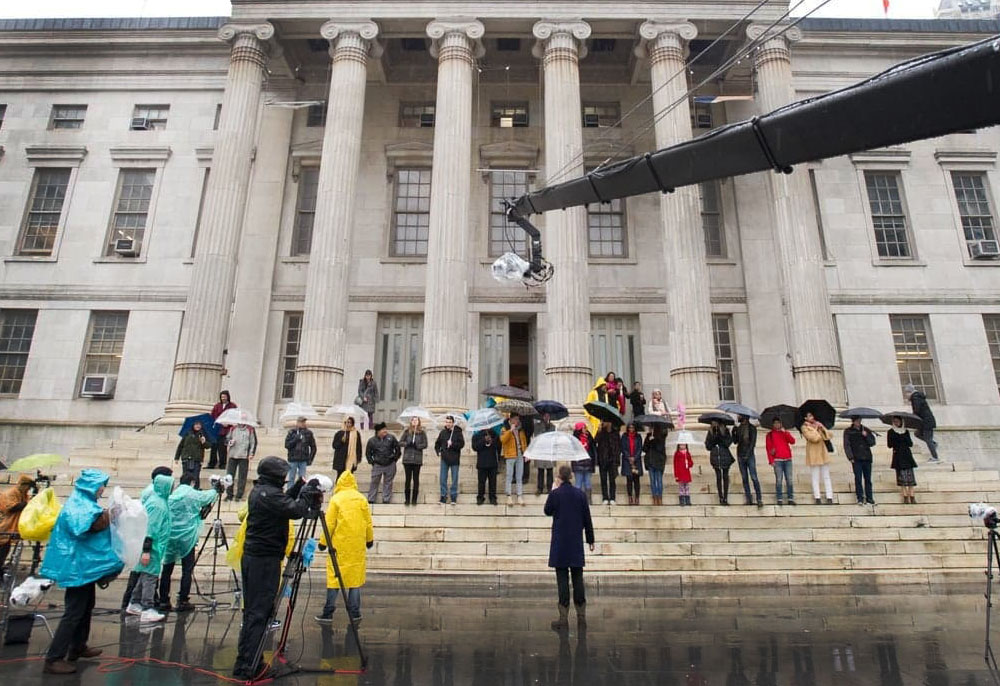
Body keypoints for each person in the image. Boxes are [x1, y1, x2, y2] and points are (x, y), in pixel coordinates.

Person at [232, 457, 316, 681]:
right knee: (259, 613)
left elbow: (282, 503)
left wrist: (299, 486)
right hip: (264, 560)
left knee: (253, 613)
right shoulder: (268, 494)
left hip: (255, 557)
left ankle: (246, 661)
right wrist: (307, 493)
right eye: (283, 475)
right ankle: (250, 666)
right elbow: (296, 510)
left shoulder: (262, 491)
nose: (285, 478)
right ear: (275, 476)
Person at [40, 469, 124, 675]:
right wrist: (109, 515)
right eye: (101, 485)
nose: (102, 489)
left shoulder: (84, 503)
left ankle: (78, 646)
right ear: (91, 485)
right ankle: (54, 658)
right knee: (74, 612)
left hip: (83, 567)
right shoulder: (78, 505)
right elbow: (85, 526)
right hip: (75, 566)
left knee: (86, 606)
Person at [315, 471, 373, 625]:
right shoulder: (361, 499)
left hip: (338, 546)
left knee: (335, 578)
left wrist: (323, 542)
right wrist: (369, 539)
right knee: (354, 580)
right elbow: (368, 522)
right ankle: (355, 612)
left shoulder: (336, 500)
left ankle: (328, 612)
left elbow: (330, 523)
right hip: (356, 546)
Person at [545, 465, 595, 632]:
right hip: (575, 541)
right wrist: (590, 539)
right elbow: (587, 518)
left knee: (562, 579)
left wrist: (553, 490)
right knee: (577, 577)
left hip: (560, 541)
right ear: (571, 477)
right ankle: (581, 616)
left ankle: (563, 617)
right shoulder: (580, 494)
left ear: (559, 477)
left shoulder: (556, 494)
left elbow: (547, 510)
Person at [159, 473, 217, 612]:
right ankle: (183, 599)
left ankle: (163, 599)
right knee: (187, 569)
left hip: (171, 536)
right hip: (187, 537)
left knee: (167, 569)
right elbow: (207, 497)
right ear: (192, 482)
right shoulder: (192, 494)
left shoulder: (171, 496)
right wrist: (216, 489)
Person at [121, 465, 173, 610]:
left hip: (153, 546)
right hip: (153, 547)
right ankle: (147, 607)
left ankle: (134, 603)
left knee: (143, 576)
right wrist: (147, 550)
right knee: (149, 578)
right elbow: (151, 529)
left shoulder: (158, 500)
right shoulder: (158, 504)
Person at [0, 474, 35, 570]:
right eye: (28, 487)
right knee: (2, 550)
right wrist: (27, 503)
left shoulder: (24, 495)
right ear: (23, 485)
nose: (28, 490)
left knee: (5, 551)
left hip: (12, 528)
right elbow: (12, 507)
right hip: (5, 526)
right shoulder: (11, 493)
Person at [801, 412, 834, 505]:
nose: (812, 417)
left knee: (826, 476)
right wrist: (815, 429)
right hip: (813, 453)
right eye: (809, 416)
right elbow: (813, 438)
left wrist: (822, 427)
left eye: (812, 415)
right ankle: (817, 497)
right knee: (815, 477)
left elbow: (828, 436)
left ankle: (829, 496)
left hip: (822, 452)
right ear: (806, 418)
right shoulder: (804, 427)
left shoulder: (818, 425)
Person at [843, 416, 877, 506]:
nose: (858, 422)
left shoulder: (865, 429)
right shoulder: (848, 431)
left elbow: (872, 443)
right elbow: (847, 445)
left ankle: (869, 498)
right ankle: (860, 498)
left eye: (859, 420)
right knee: (858, 478)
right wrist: (850, 457)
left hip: (867, 457)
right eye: (857, 421)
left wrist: (866, 436)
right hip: (856, 458)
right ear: (853, 421)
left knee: (868, 479)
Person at [365, 422, 401, 505]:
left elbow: (397, 448)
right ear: (378, 431)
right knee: (374, 481)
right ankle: (371, 498)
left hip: (390, 463)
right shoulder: (372, 441)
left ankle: (386, 499)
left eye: (385, 429)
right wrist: (372, 462)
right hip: (377, 464)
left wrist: (395, 458)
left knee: (388, 482)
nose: (385, 431)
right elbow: (368, 453)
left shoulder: (391, 438)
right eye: (383, 429)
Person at [905, 384, 940, 463]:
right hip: (924, 422)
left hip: (927, 422)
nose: (906, 395)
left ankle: (935, 457)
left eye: (906, 393)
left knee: (928, 439)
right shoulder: (916, 397)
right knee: (917, 434)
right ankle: (933, 444)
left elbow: (917, 410)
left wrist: (912, 416)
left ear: (909, 392)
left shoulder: (915, 398)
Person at [500, 414, 529, 506]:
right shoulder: (504, 428)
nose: (517, 421)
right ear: (511, 419)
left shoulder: (520, 430)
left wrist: (526, 453)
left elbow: (523, 442)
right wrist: (510, 430)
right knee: (509, 475)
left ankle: (519, 495)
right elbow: (502, 440)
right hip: (510, 455)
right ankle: (509, 495)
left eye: (518, 419)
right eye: (516, 419)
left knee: (519, 476)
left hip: (520, 454)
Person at [734, 415, 763, 508]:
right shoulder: (739, 428)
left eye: (739, 416)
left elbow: (752, 443)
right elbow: (735, 442)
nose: (738, 417)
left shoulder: (752, 428)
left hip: (749, 455)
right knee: (744, 478)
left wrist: (748, 454)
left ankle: (759, 498)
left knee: (754, 477)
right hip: (740, 454)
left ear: (744, 417)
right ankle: (748, 498)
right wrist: (733, 432)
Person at [435, 415, 465, 505]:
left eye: (450, 422)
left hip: (454, 458)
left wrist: (452, 444)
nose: (448, 424)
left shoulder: (458, 432)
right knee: (443, 478)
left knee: (454, 478)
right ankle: (443, 496)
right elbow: (437, 444)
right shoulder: (443, 432)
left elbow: (461, 444)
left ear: (453, 423)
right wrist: (438, 451)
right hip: (444, 458)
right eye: (447, 422)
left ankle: (453, 497)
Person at [766, 418, 797, 505]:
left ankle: (790, 498)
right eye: (775, 423)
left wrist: (785, 432)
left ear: (781, 424)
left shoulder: (785, 432)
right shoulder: (770, 435)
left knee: (789, 479)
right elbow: (768, 449)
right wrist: (771, 460)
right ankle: (779, 498)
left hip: (787, 459)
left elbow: (793, 441)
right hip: (777, 460)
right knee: (779, 480)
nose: (777, 425)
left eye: (778, 423)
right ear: (773, 424)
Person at [888, 416, 918, 504]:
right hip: (898, 456)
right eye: (894, 421)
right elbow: (889, 445)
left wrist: (903, 436)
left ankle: (912, 496)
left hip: (907, 455)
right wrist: (896, 438)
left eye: (898, 421)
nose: (896, 423)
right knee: (902, 478)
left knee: (910, 478)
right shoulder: (891, 432)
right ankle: (905, 496)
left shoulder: (906, 431)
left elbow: (910, 444)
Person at [225, 421, 257, 501]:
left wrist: (251, 453)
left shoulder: (250, 429)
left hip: (244, 456)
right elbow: (226, 439)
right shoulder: (233, 428)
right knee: (229, 475)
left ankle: (239, 495)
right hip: (233, 455)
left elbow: (253, 442)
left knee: (242, 476)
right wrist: (230, 442)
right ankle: (229, 494)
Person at [400, 417, 428, 506]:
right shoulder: (407, 431)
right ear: (411, 422)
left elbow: (425, 444)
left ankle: (414, 499)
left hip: (417, 459)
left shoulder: (422, 432)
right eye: (413, 420)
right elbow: (400, 442)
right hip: (407, 459)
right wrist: (407, 444)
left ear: (419, 422)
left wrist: (417, 446)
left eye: (416, 420)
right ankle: (407, 499)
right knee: (408, 479)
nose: (414, 422)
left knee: (416, 479)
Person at [705, 420, 734, 505]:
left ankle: (725, 497)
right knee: (718, 477)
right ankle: (720, 497)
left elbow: (728, 443)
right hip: (715, 456)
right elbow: (708, 446)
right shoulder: (710, 432)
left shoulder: (726, 431)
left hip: (725, 456)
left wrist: (721, 435)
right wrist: (714, 436)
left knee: (725, 477)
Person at [284, 417, 316, 489]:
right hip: (293, 458)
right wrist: (296, 439)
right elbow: (287, 445)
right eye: (301, 422)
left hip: (303, 459)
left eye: (304, 422)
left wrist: (310, 459)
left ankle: (301, 493)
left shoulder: (308, 433)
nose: (303, 423)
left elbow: (313, 447)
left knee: (302, 478)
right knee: (291, 478)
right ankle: (290, 492)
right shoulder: (292, 432)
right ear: (297, 423)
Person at [174, 420, 208, 489]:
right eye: (196, 424)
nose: (198, 426)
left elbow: (208, 446)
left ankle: (195, 490)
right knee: (185, 476)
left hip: (197, 459)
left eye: (199, 424)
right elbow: (180, 446)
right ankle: (184, 489)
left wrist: (203, 442)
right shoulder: (187, 433)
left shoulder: (203, 434)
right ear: (193, 425)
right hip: (186, 458)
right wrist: (176, 457)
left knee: (195, 476)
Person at [208, 390, 237, 469]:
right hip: (217, 429)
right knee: (213, 447)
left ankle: (222, 464)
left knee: (222, 448)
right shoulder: (217, 405)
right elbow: (212, 416)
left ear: (228, 397)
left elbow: (235, 417)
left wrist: (228, 423)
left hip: (226, 430)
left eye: (224, 396)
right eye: (222, 397)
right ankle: (212, 463)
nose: (223, 398)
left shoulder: (232, 406)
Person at [595, 421, 621, 505]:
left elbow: (618, 446)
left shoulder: (615, 432)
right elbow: (595, 441)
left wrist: (616, 458)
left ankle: (612, 497)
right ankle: (605, 497)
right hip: (603, 459)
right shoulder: (601, 432)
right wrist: (599, 430)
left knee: (612, 480)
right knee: (603, 479)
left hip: (612, 459)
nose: (607, 423)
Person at [472, 429, 500, 505]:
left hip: (492, 463)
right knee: (481, 482)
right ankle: (480, 497)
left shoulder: (494, 433)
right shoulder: (476, 435)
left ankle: (492, 497)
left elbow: (498, 446)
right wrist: (484, 440)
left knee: (493, 482)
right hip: (482, 463)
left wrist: (492, 441)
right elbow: (475, 447)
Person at [642, 426, 668, 505]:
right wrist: (648, 440)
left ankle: (659, 496)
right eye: (651, 428)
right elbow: (644, 448)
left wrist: (654, 440)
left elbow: (660, 448)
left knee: (659, 480)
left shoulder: (661, 437)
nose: (651, 429)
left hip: (658, 462)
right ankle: (654, 496)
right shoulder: (648, 436)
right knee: (652, 481)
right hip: (650, 461)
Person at [332, 416, 363, 483]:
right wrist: (341, 441)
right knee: (340, 477)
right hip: (341, 459)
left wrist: (358, 458)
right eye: (346, 422)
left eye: (350, 423)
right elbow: (334, 445)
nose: (348, 424)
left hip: (351, 459)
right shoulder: (339, 433)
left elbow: (359, 447)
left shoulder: (356, 434)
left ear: (352, 424)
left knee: (349, 476)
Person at [533, 412, 557, 495]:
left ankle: (549, 488)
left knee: (550, 470)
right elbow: (537, 436)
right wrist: (544, 429)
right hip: (540, 450)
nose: (547, 417)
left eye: (548, 416)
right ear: (542, 416)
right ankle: (540, 488)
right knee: (540, 470)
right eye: (545, 415)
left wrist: (548, 427)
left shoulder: (553, 426)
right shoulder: (537, 426)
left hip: (549, 450)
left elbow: (553, 437)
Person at [620, 423, 644, 506]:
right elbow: (623, 448)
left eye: (633, 427)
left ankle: (637, 497)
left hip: (636, 460)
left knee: (636, 479)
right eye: (630, 427)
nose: (631, 429)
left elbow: (640, 448)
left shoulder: (638, 436)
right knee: (629, 479)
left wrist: (635, 457)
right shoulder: (624, 436)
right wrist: (629, 457)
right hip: (627, 460)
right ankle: (630, 496)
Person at [571, 422, 596, 501]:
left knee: (587, 483)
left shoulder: (589, 437)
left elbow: (593, 450)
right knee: (578, 484)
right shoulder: (574, 439)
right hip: (578, 464)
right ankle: (578, 500)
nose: (586, 429)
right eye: (584, 428)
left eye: (586, 428)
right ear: (579, 429)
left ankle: (588, 500)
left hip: (588, 463)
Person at [673, 436, 695, 506]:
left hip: (686, 473)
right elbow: (675, 465)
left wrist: (688, 463)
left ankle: (687, 500)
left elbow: (691, 463)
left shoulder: (687, 454)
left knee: (687, 487)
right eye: (681, 444)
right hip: (680, 473)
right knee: (681, 487)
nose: (683, 446)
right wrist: (676, 475)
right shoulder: (677, 454)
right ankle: (682, 500)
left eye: (684, 444)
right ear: (678, 445)